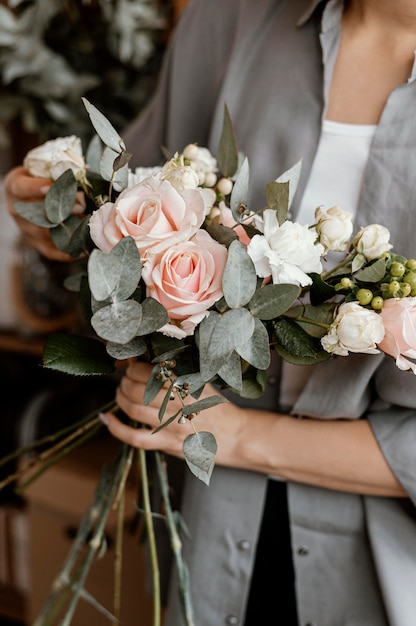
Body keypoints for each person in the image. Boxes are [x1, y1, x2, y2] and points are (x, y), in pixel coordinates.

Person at [5, 0, 416, 625]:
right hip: (203, 524)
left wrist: (242, 437)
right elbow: (120, 223)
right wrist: (44, 212)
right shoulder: (227, 19)